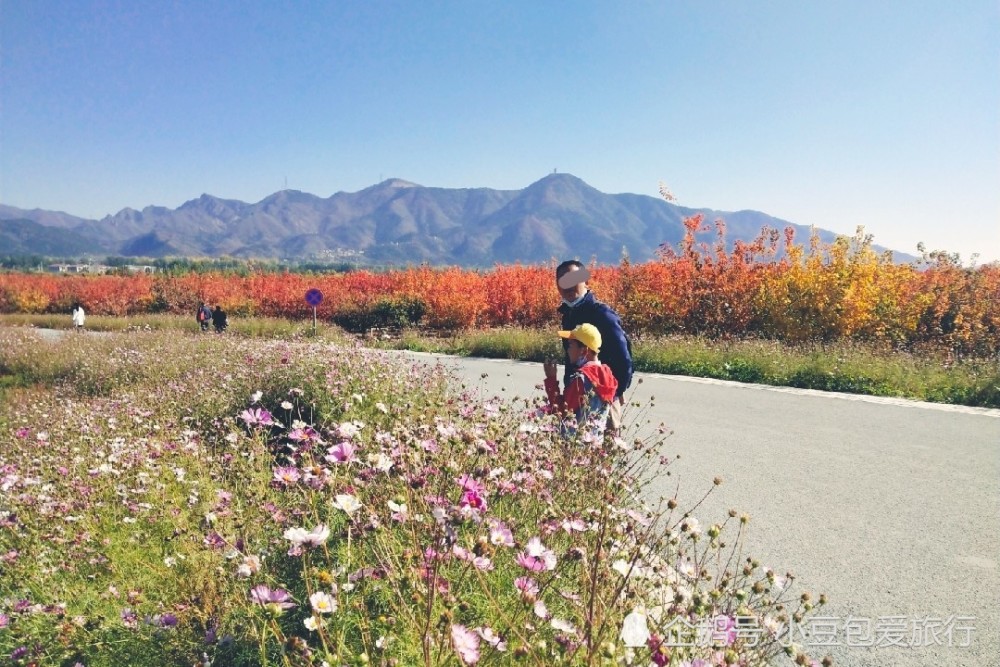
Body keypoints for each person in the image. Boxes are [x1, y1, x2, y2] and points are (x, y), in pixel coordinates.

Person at [555, 260, 633, 434]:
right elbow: (571, 360)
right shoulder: (568, 315)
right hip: (577, 393)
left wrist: (613, 392)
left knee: (605, 448)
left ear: (585, 281)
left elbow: (623, 358)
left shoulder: (602, 314)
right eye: (561, 281)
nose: (567, 286)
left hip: (603, 395)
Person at [543, 323, 618, 436]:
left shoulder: (581, 379)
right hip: (594, 443)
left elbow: (562, 412)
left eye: (571, 345)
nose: (568, 350)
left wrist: (551, 379)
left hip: (574, 444)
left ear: (584, 350)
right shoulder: (608, 376)